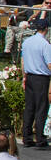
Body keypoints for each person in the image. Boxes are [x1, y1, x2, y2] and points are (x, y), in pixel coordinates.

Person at [20, 19, 51, 147]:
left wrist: (24, 77)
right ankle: (40, 138)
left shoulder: (27, 42)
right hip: (41, 78)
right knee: (41, 108)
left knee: (29, 107)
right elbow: (49, 64)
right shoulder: (45, 44)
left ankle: (26, 137)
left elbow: (23, 61)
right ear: (46, 29)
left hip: (29, 76)